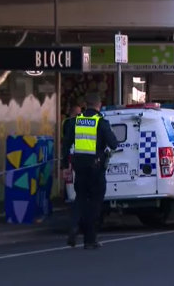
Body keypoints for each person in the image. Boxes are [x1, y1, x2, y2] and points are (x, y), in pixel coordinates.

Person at [62, 93, 119, 249]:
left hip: (79, 166)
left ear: (85, 105)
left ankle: (73, 227)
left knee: (80, 198)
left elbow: (66, 145)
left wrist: (64, 167)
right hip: (96, 167)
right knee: (94, 203)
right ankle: (90, 239)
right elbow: (114, 144)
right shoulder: (101, 122)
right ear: (99, 105)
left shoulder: (75, 122)